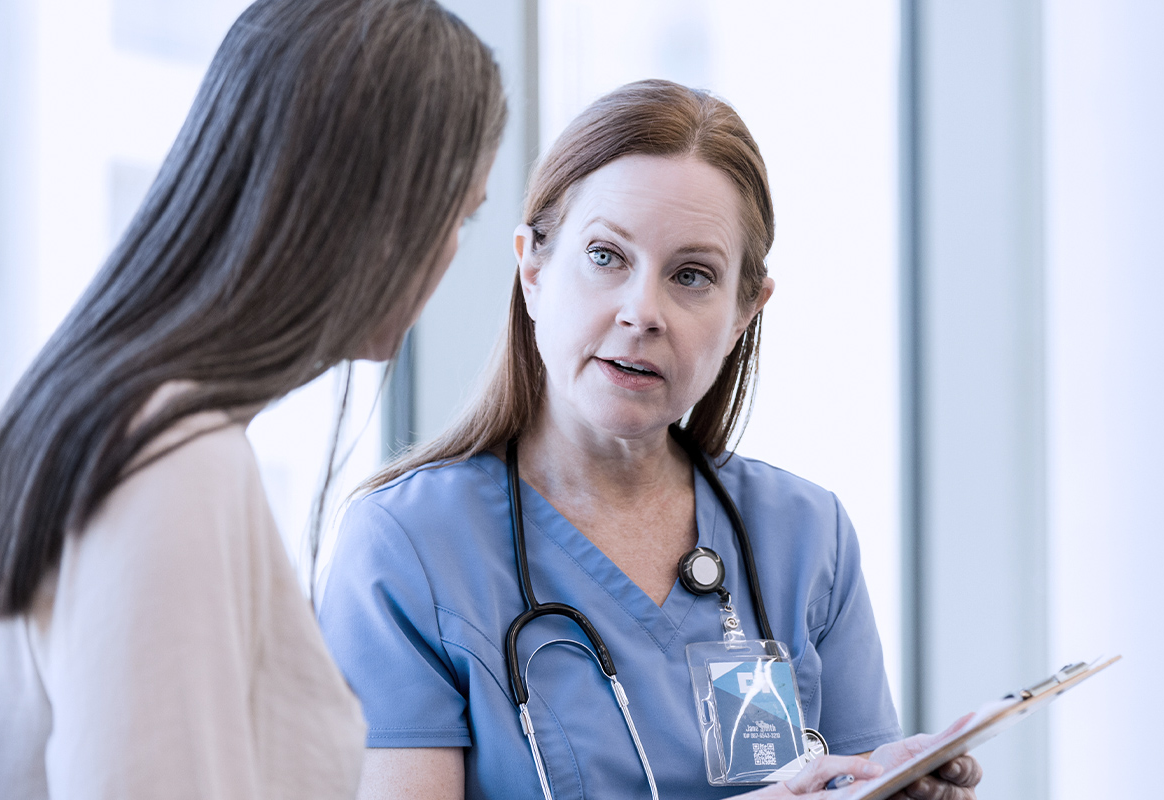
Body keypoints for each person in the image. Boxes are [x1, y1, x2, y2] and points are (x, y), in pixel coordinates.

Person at [317, 80, 983, 800]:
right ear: (533, 268)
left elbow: (853, 778)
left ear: (742, 314)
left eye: (692, 276)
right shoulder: (408, 544)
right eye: (606, 256)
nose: (642, 312)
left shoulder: (805, 534)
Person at [0, 0, 506, 797]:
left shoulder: (108, 415)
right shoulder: (173, 459)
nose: (453, 250)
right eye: (462, 212)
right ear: (380, 212)